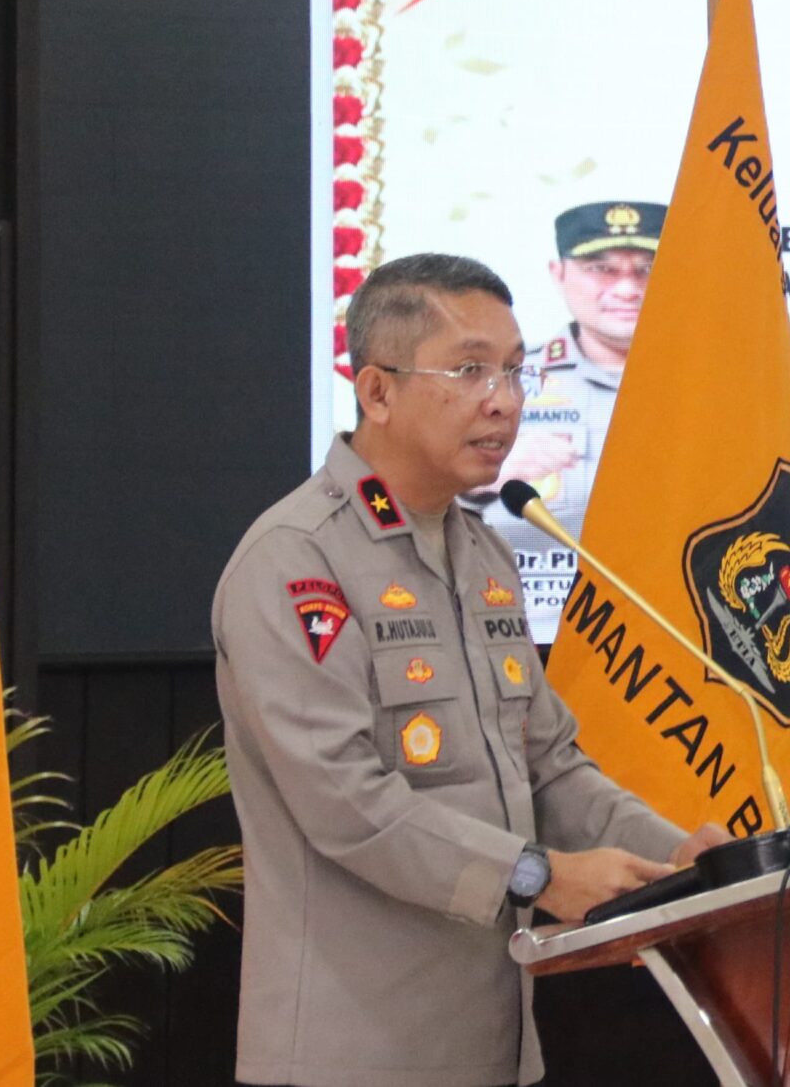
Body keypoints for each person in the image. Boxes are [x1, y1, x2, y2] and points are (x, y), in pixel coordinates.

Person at [214, 254, 733, 1087]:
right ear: (376, 390)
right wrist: (540, 875)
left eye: (515, 370)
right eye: (469, 370)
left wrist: (687, 862)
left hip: (494, 1046)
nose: (504, 400)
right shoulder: (296, 559)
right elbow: (345, 800)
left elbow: (550, 767)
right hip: (352, 1057)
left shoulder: (485, 554)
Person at [483, 201, 790, 634]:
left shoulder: (755, 387)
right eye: (601, 269)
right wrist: (482, 483)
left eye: (648, 269)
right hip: (535, 645)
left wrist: (769, 612)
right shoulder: (497, 384)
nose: (627, 289)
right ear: (559, 274)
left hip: (703, 650)